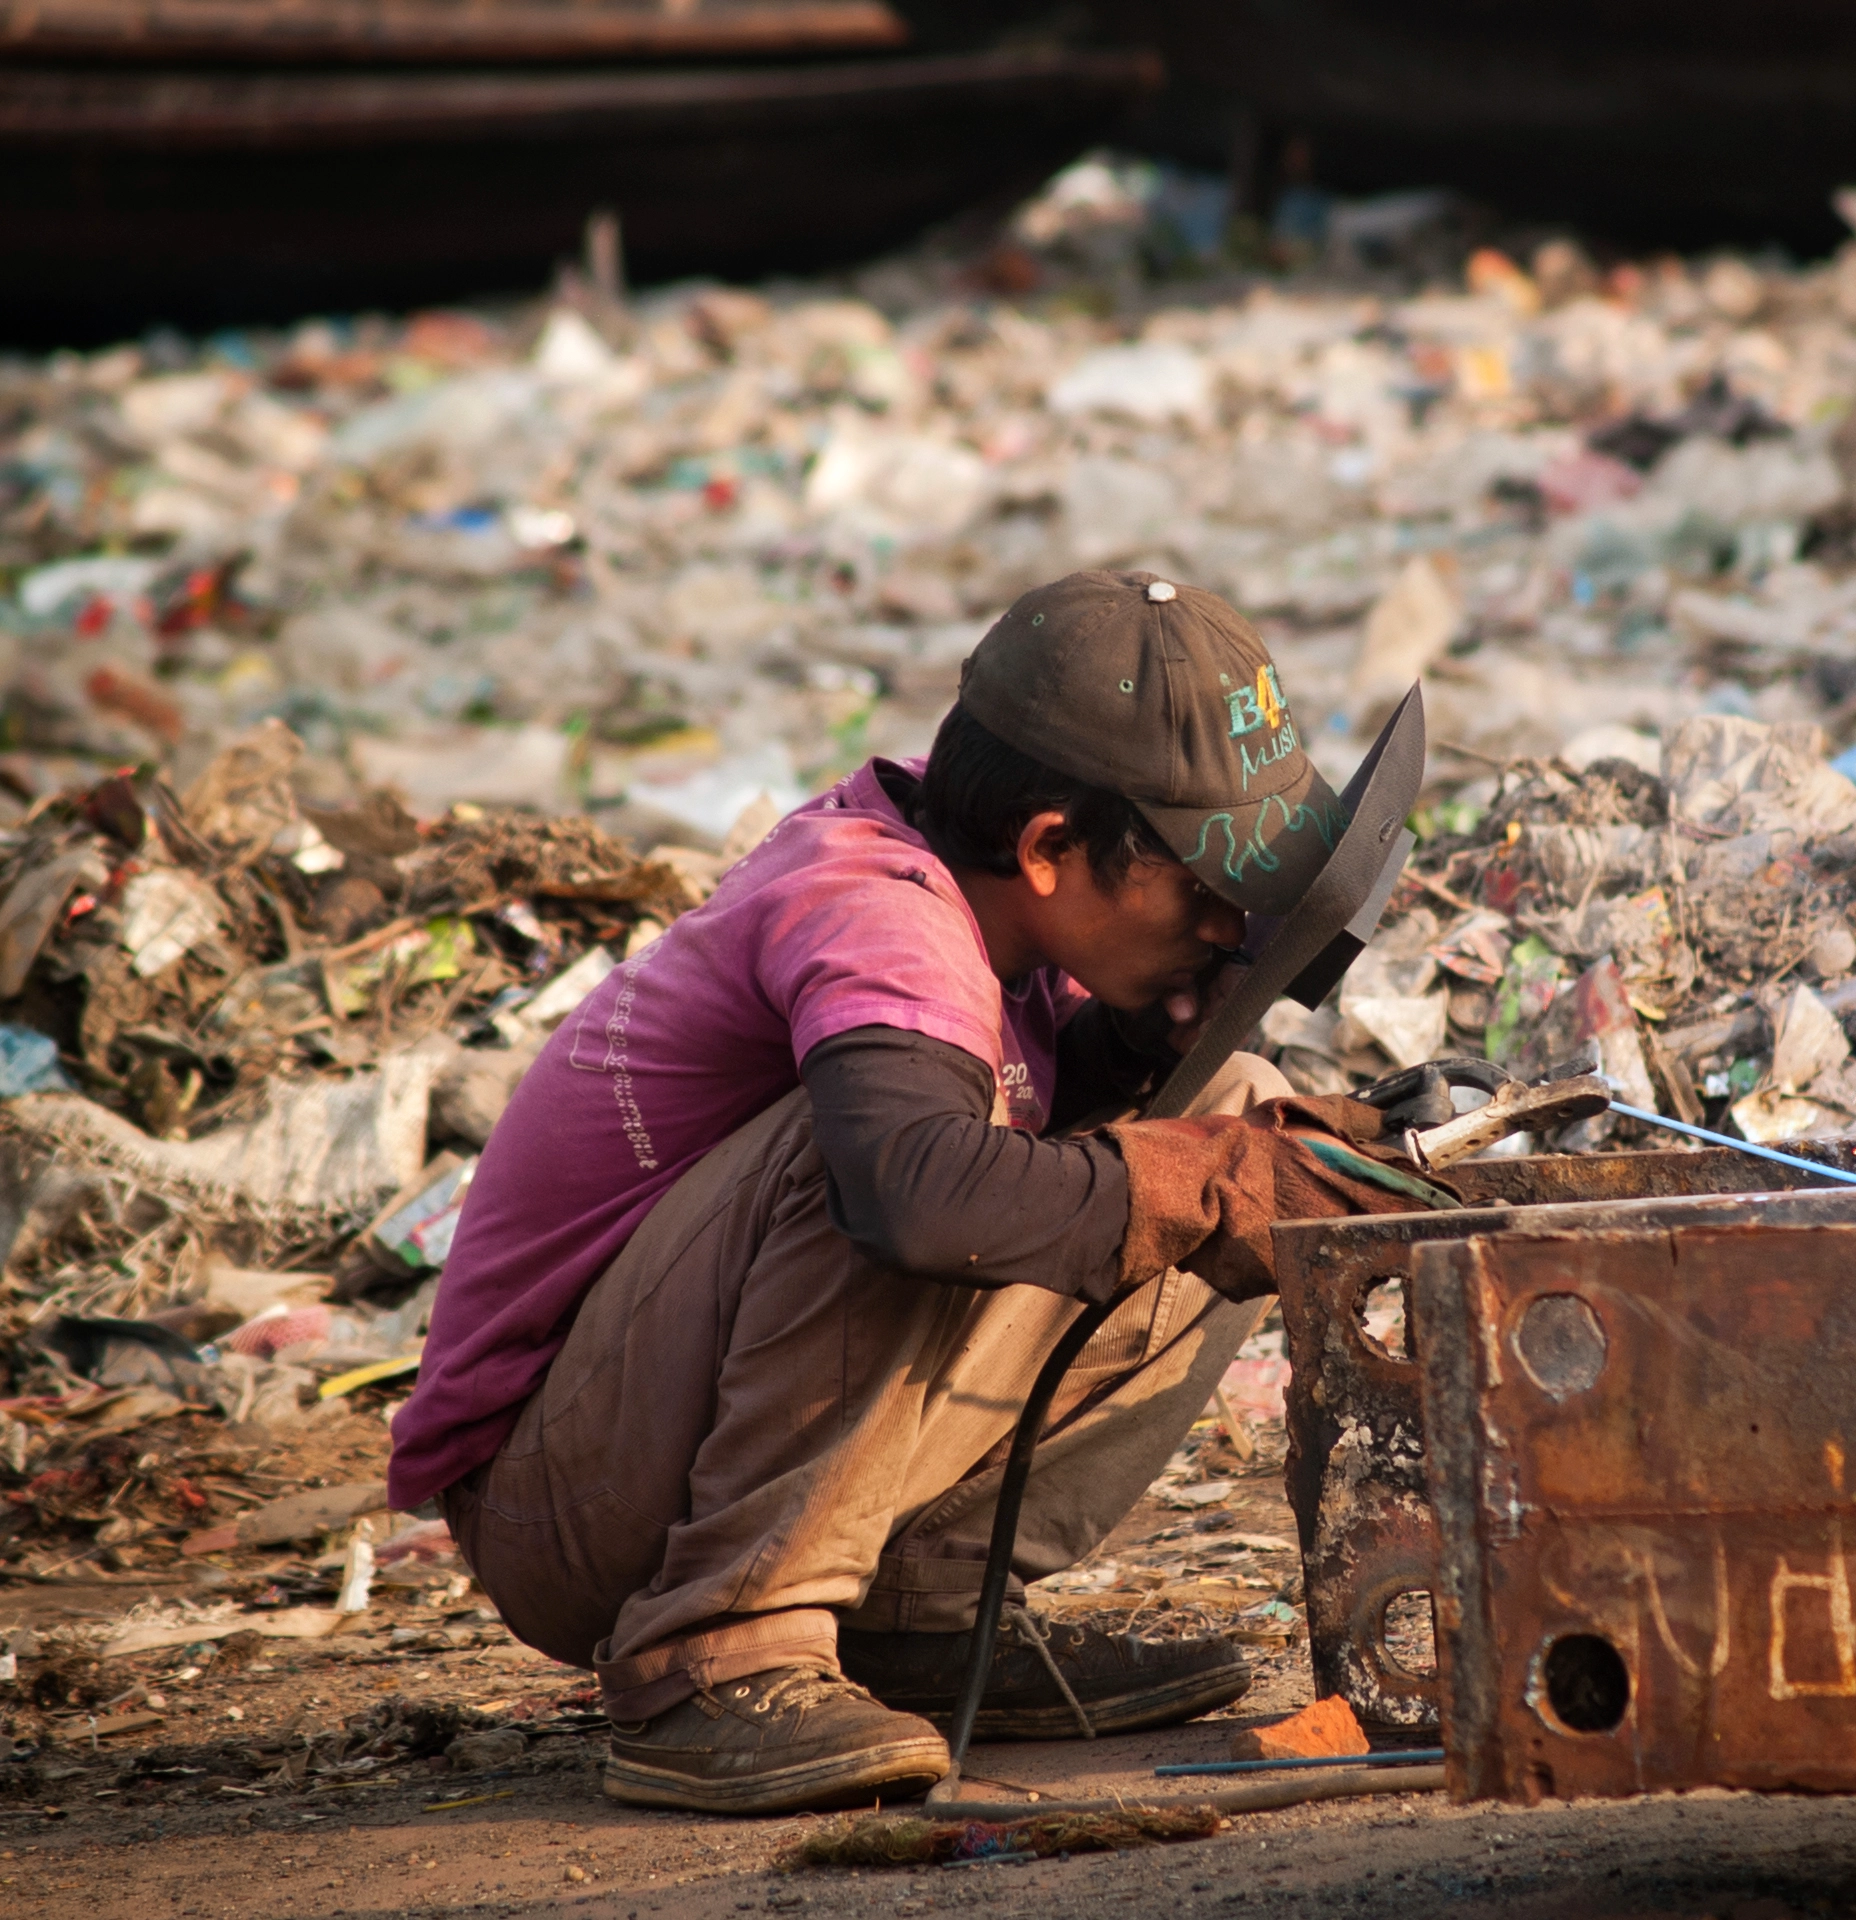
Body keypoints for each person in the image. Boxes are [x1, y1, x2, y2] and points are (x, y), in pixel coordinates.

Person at [388, 570, 1424, 1815]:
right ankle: (711, 1655)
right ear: (1048, 847)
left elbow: (1062, 1127)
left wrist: (1174, 1077)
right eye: (1204, 888)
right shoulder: (875, 909)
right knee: (935, 1164)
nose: (1224, 924)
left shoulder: (996, 926)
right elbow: (911, 1196)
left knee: (1227, 1119)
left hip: (649, 1443)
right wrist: (1205, 1174)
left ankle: (916, 1616)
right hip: (560, 1497)